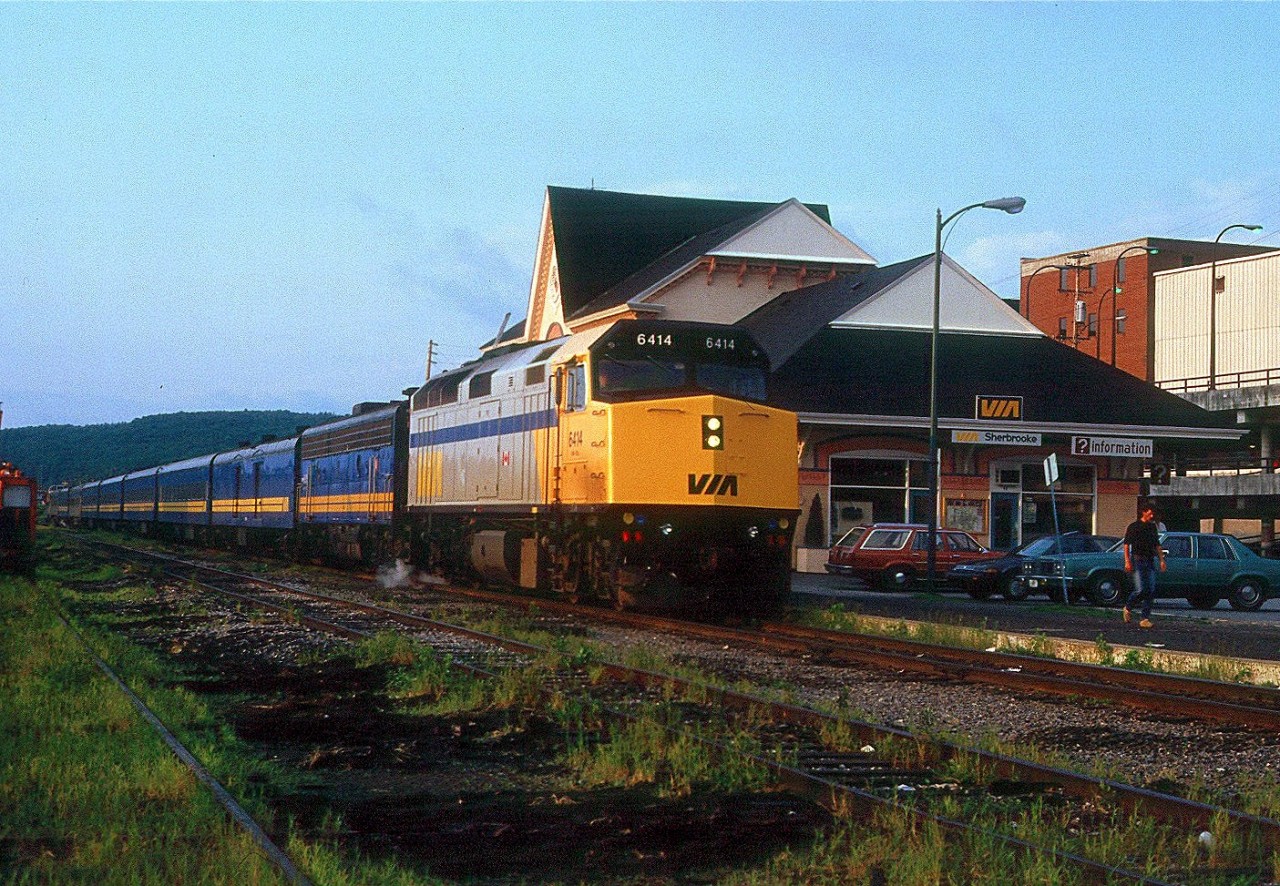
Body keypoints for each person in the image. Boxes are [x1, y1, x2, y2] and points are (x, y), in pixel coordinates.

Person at [1123, 503, 1165, 628]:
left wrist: (1162, 560)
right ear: (1144, 512)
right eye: (1150, 512)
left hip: (1150, 560)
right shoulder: (1134, 527)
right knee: (1140, 589)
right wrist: (1127, 561)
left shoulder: (1152, 527)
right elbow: (1126, 545)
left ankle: (1145, 618)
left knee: (1150, 590)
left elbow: (1157, 545)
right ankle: (1128, 607)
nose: (1152, 515)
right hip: (1137, 560)